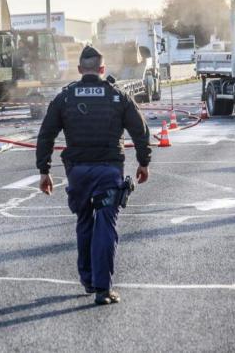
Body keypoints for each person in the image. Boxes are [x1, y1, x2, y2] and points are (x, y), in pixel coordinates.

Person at [35, 45, 151, 305]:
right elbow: (140, 132)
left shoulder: (65, 98)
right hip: (109, 171)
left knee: (85, 221)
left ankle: (87, 279)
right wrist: (143, 163)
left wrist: (44, 171)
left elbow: (46, 135)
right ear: (102, 69)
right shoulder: (118, 96)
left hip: (77, 172)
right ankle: (103, 289)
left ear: (79, 70)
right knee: (106, 225)